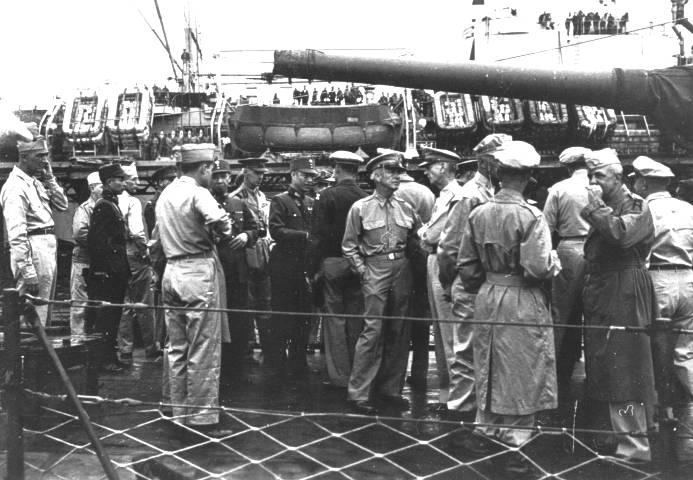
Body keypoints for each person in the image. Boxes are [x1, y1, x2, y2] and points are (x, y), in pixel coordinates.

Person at [457, 140, 560, 476]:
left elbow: (466, 265)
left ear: (499, 174)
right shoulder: (530, 215)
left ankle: (486, 429)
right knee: (523, 367)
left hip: (488, 293)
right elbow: (537, 268)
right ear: (528, 177)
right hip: (521, 296)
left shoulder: (478, 213)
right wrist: (554, 263)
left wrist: (486, 285)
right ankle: (515, 441)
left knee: (488, 362)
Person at [581, 148, 656, 463]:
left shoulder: (635, 205)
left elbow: (620, 235)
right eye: (590, 175)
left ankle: (634, 446)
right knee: (608, 365)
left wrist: (595, 207)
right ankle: (622, 437)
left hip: (622, 290)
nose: (593, 181)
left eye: (599, 175)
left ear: (617, 176)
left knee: (625, 366)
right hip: (607, 289)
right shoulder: (612, 206)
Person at [155, 143, 234, 436]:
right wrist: (224, 230)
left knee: (176, 348)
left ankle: (177, 412)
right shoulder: (198, 193)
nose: (212, 174)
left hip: (171, 269)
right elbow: (218, 219)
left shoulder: (166, 193)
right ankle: (201, 419)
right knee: (203, 347)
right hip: (197, 270)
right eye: (211, 169)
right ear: (203, 168)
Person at [342, 151, 421, 415]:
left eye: (399, 172)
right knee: (372, 330)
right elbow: (349, 246)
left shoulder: (406, 207)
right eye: (392, 172)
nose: (397, 176)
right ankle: (359, 393)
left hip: (402, 268)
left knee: (399, 330)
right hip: (375, 268)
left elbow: (417, 236)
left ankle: (391, 390)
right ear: (376, 176)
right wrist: (362, 270)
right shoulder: (361, 208)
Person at [630, 156, 693, 462]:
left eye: (636, 180)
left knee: (650, 356)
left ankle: (652, 431)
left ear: (644, 182)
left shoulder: (643, 210)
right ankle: (687, 439)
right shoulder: (688, 209)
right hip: (689, 280)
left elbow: (635, 252)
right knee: (687, 357)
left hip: (656, 279)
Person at [437, 134, 500, 417]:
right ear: (484, 162)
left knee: (481, 350)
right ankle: (460, 412)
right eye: (498, 160)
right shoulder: (469, 195)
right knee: (466, 353)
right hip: (469, 282)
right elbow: (449, 247)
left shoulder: (491, 191)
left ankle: (475, 410)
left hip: (485, 284)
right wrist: (449, 284)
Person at [308, 151, 367, 388]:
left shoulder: (327, 196)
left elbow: (317, 236)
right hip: (357, 264)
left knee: (335, 320)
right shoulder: (365, 197)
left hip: (332, 263)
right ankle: (357, 374)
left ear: (338, 169)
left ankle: (339, 376)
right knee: (356, 320)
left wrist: (312, 268)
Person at [542, 146, 591, 407]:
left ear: (568, 166)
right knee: (594, 313)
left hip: (569, 248)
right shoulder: (600, 187)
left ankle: (557, 374)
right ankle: (595, 373)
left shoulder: (559, 189)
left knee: (562, 312)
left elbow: (546, 226)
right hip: (596, 249)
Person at [416, 147, 464, 415]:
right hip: (436, 260)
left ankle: (456, 399)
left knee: (449, 331)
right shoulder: (443, 196)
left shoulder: (454, 196)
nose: (426, 172)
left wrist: (423, 233)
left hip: (444, 263)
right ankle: (448, 395)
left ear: (444, 167)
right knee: (442, 328)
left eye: (430, 166)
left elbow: (430, 236)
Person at [0, 137, 68, 325]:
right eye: (40, 156)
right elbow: (16, 234)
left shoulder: (34, 182)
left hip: (46, 248)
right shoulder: (15, 187)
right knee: (31, 312)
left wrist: (50, 179)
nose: (45, 160)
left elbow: (62, 205)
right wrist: (28, 271)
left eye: (46, 155)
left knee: (43, 310)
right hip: (33, 249)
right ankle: (28, 345)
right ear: (24, 157)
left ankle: (39, 342)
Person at [210, 158, 259, 384]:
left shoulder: (237, 203)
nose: (221, 180)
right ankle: (220, 372)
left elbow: (256, 228)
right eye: (216, 176)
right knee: (218, 324)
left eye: (224, 176)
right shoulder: (204, 202)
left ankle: (236, 371)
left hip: (238, 274)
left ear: (230, 178)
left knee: (239, 321)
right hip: (216, 272)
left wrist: (246, 236)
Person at [268, 158, 318, 374]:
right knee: (282, 316)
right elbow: (276, 230)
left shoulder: (310, 202)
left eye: (311, 176)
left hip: (303, 266)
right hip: (284, 267)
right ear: (293, 175)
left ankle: (299, 362)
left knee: (303, 317)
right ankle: (278, 364)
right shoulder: (280, 201)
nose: (309, 180)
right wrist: (304, 236)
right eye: (305, 175)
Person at [393, 152, 434, 390]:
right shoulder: (426, 192)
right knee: (422, 317)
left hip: (401, 260)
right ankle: (420, 371)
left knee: (399, 318)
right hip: (424, 258)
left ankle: (395, 377)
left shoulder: (393, 193)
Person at [86, 163, 131, 374]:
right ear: (109, 182)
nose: (123, 183)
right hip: (109, 273)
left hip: (115, 271)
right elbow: (97, 241)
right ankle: (105, 360)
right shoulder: (104, 206)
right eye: (120, 180)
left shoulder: (110, 204)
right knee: (107, 318)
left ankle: (110, 357)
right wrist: (104, 270)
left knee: (113, 316)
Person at [230, 158, 273, 368]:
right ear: (246, 172)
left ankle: (268, 350)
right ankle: (246, 351)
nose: (261, 176)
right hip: (246, 255)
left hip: (263, 254)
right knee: (247, 304)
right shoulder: (235, 198)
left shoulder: (262, 196)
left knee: (265, 303)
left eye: (263, 173)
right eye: (257, 173)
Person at [117, 164, 159, 361]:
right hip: (135, 253)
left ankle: (125, 348)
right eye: (133, 179)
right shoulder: (132, 202)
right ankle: (151, 346)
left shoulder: (108, 201)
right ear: (123, 180)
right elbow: (136, 231)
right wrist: (146, 252)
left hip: (118, 255)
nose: (138, 182)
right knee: (144, 302)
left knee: (124, 303)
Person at [70, 172, 102, 335]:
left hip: (98, 262)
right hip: (84, 260)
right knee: (80, 303)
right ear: (92, 188)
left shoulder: (105, 206)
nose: (104, 190)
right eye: (101, 186)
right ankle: (77, 339)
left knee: (98, 303)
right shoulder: (85, 208)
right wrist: (102, 246)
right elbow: (80, 233)